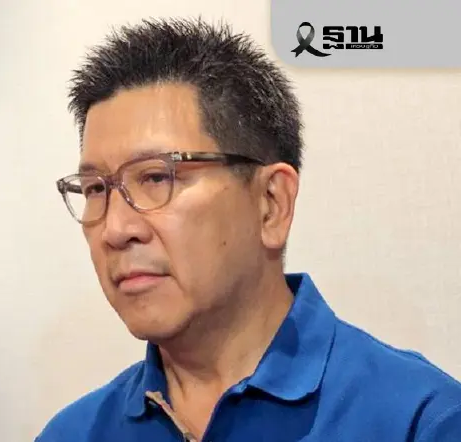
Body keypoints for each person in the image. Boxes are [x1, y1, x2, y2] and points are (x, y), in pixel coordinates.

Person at [35, 17, 461, 442]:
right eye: (96, 188)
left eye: (156, 177)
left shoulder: (422, 420)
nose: (115, 229)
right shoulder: (73, 434)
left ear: (271, 203)